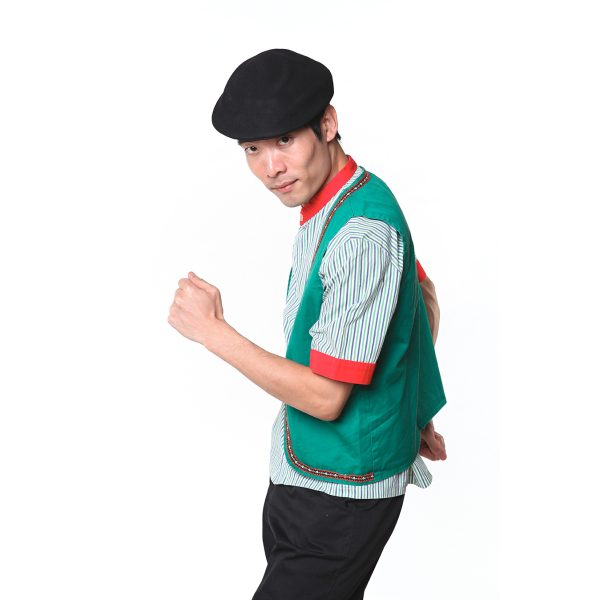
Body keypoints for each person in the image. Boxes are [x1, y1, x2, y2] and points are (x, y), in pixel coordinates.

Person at [168, 48, 448, 600]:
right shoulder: (344, 197)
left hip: (336, 496)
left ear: (328, 124)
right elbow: (420, 296)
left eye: (285, 140)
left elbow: (325, 397)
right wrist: (405, 410)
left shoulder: (360, 233)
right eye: (252, 149)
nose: (270, 167)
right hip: (309, 474)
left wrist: (213, 331)